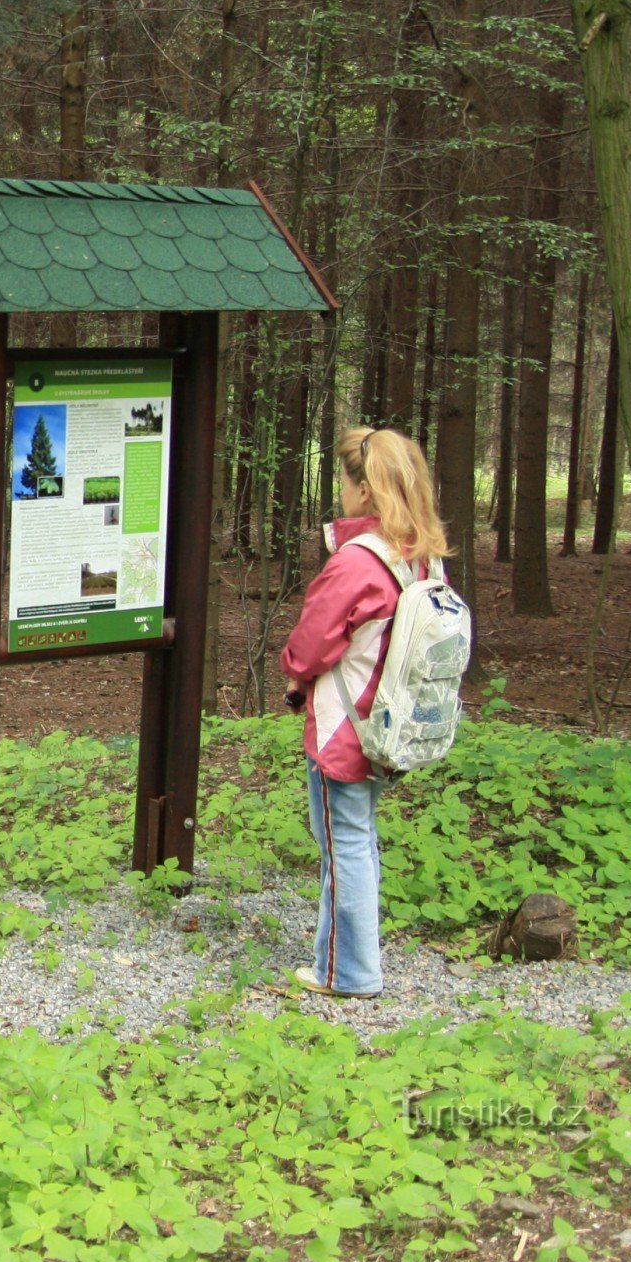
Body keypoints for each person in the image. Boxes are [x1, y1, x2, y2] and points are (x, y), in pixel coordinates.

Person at [279, 426, 451, 999]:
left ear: (365, 490)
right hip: (392, 726)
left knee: (343, 843)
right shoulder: (422, 558)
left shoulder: (357, 563)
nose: (343, 493)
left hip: (344, 732)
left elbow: (310, 646)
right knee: (359, 837)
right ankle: (353, 961)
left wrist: (294, 675)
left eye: (348, 482)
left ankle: (347, 971)